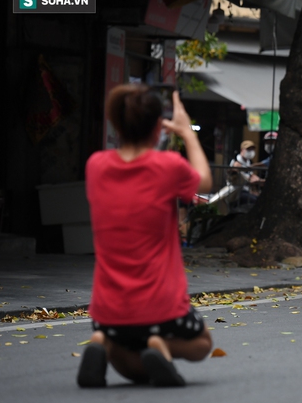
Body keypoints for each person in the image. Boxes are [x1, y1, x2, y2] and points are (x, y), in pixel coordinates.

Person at [78, 84, 213, 388]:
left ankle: (103, 341)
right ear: (157, 129)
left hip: (108, 312)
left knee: (129, 363)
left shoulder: (96, 166)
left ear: (116, 126)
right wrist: (188, 132)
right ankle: (160, 346)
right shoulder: (167, 166)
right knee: (202, 343)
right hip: (162, 307)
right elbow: (204, 182)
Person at [229, 140, 264, 205]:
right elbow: (235, 177)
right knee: (255, 201)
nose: (250, 152)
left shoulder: (249, 162)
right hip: (237, 192)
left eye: (252, 150)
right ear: (242, 150)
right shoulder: (235, 162)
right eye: (248, 149)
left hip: (247, 190)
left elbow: (251, 176)